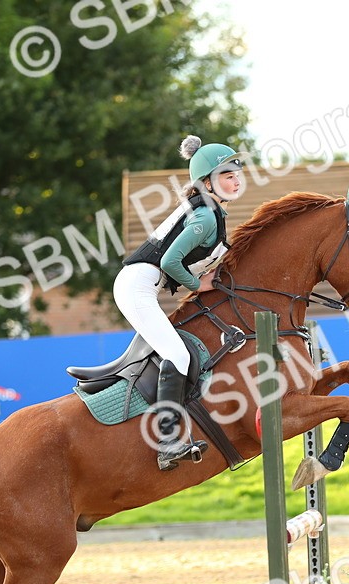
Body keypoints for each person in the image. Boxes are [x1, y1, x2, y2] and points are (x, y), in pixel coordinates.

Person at [113, 134, 244, 470]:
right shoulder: (205, 217)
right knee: (178, 355)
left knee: (176, 352)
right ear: (207, 183)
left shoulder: (211, 211)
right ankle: (168, 442)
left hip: (142, 285)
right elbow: (171, 261)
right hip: (137, 287)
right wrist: (198, 285)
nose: (236, 180)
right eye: (228, 175)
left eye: (237, 174)